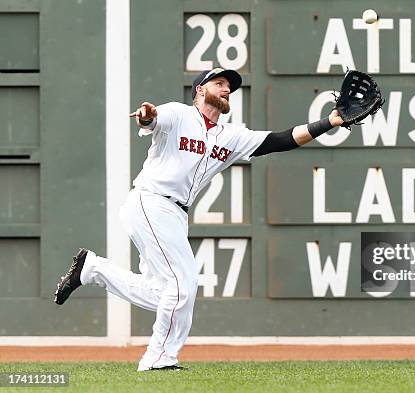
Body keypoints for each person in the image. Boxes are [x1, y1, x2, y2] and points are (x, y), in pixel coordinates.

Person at [54, 67, 344, 371]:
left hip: (175, 214)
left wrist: (330, 122)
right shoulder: (179, 114)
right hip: (151, 201)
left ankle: (92, 269)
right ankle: (158, 359)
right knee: (184, 284)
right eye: (218, 83)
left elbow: (280, 140)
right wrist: (146, 115)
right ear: (199, 91)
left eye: (229, 86)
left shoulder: (231, 136)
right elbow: (151, 119)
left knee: (167, 293)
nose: (226, 89)